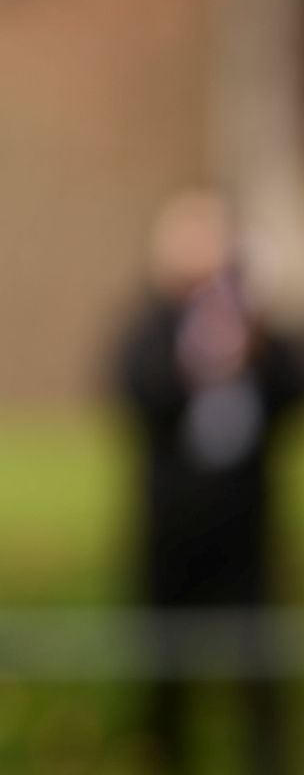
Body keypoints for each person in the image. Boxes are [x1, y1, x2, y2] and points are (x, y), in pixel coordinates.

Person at [113, 189, 302, 775]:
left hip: (245, 523)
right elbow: (136, 393)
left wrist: (255, 341)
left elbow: (289, 392)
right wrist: (192, 358)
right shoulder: (150, 324)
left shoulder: (255, 322)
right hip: (171, 525)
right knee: (167, 673)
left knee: (257, 670)